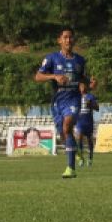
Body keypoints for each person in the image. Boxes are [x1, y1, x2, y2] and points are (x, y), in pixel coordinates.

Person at [34, 26, 88, 179]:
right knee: (64, 134)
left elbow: (84, 80)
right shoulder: (51, 58)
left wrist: (89, 84)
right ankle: (75, 150)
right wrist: (54, 77)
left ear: (74, 40)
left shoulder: (80, 60)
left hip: (74, 99)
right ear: (59, 40)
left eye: (70, 37)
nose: (68, 40)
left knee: (67, 126)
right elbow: (38, 76)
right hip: (58, 101)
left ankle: (70, 169)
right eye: (65, 37)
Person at [76, 79, 99, 167]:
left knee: (89, 140)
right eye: (80, 86)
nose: (82, 88)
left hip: (88, 120)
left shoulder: (91, 96)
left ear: (86, 87)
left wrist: (91, 105)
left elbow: (97, 108)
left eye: (83, 86)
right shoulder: (77, 97)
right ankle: (81, 159)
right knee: (79, 139)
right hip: (80, 120)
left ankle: (90, 158)